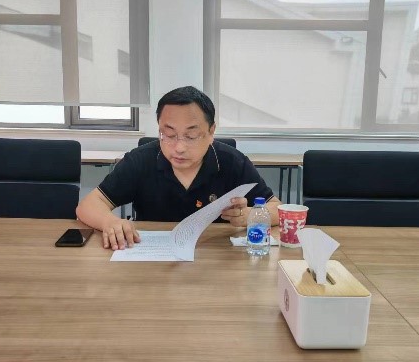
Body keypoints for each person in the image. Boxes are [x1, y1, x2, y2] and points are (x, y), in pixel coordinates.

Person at [76, 86, 281, 250]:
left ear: (211, 132)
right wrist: (109, 221)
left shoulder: (232, 162)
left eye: (191, 136)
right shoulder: (140, 160)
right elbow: (88, 205)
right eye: (169, 135)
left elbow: (277, 209)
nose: (179, 147)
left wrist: (250, 215)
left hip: (214, 259)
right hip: (151, 259)